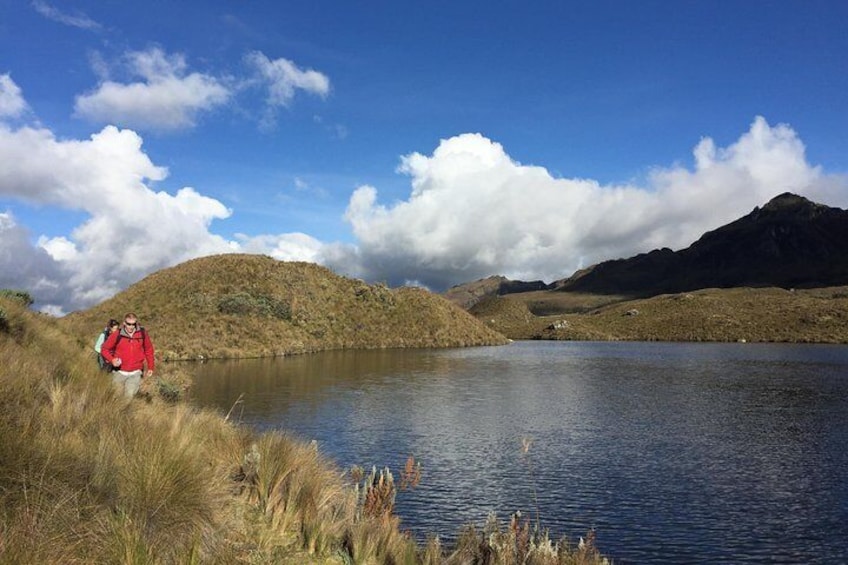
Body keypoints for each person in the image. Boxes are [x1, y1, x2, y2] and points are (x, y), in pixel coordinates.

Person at [100, 313, 156, 399]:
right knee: (116, 398)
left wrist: (150, 367)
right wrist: (112, 360)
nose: (131, 326)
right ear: (124, 323)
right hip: (119, 372)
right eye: (128, 324)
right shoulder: (117, 334)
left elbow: (149, 350)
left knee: (128, 398)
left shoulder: (142, 333)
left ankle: (126, 411)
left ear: (136, 323)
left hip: (135, 373)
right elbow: (104, 349)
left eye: (133, 324)